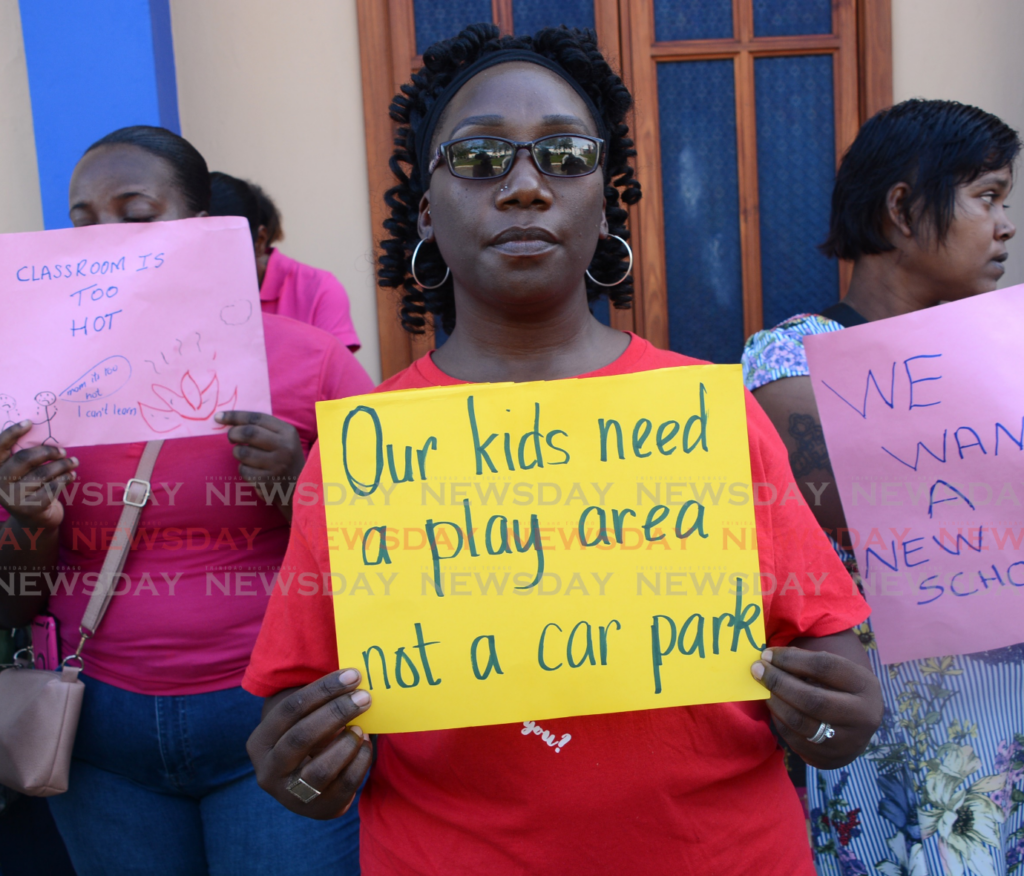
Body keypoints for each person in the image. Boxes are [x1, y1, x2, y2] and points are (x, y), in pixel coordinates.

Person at [241, 24, 883, 875]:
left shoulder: (712, 417)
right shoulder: (364, 456)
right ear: (427, 209)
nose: (525, 188)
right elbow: (302, 722)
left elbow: (834, 693)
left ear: (603, 199)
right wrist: (304, 771)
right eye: (479, 159)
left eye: (565, 155)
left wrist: (835, 722)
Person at [0, 125, 374, 876]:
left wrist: (296, 483)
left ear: (202, 231)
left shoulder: (309, 361)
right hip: (99, 731)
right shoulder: (33, 385)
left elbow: (389, 556)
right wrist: (28, 522)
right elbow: (13, 598)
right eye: (82, 221)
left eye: (135, 214)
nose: (105, 238)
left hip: (275, 724)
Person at [742, 100, 1024, 876]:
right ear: (902, 208)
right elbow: (858, 501)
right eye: (988, 196)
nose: (1005, 225)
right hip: (896, 749)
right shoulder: (792, 359)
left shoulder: (1006, 359)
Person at [208, 172, 362, 351]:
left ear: (259, 241)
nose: (204, 263)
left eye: (219, 247)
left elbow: (335, 373)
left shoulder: (319, 291)